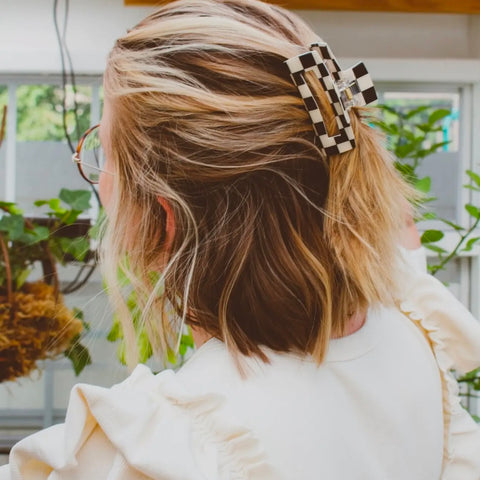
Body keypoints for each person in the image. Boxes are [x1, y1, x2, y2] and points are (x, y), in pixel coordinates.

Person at [2, 0, 480, 478]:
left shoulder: (152, 456)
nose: (96, 172)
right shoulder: (413, 327)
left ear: (163, 220)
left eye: (102, 152)